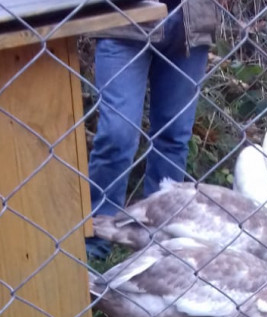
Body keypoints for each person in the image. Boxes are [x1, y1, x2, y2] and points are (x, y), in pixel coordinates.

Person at [86, 0, 219, 260]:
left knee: (173, 136)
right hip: (123, 19)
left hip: (190, 21)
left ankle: (158, 239)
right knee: (117, 134)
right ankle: (95, 241)